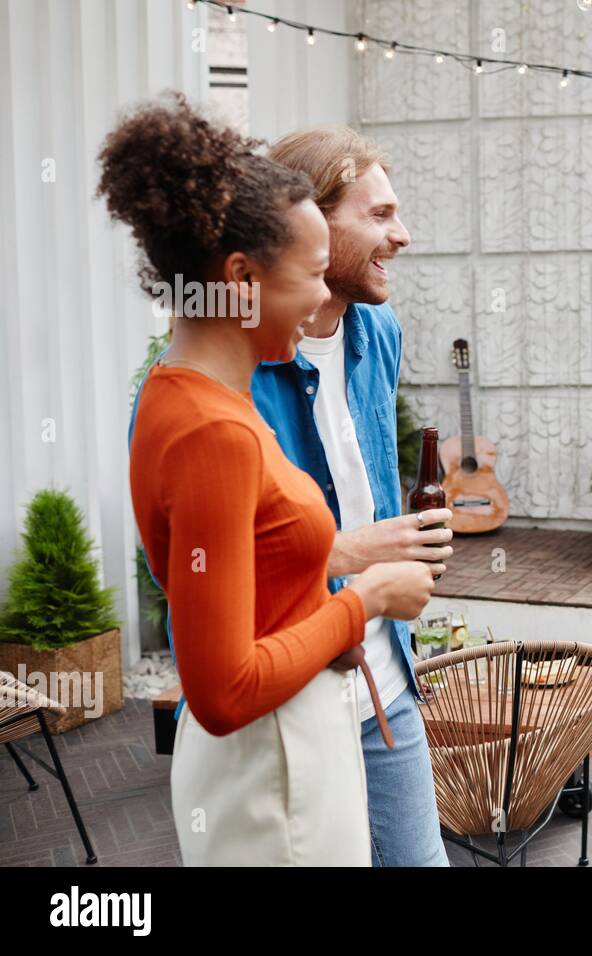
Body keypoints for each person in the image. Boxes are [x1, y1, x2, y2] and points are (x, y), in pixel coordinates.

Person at [106, 94, 439, 865]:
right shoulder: (215, 429)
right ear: (241, 277)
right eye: (315, 274)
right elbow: (221, 688)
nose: (327, 301)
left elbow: (245, 566)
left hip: (330, 715)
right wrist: (366, 598)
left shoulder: (182, 393)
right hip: (280, 755)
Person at [251, 126, 452, 867]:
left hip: (384, 678)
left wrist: (402, 542)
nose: (402, 235)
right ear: (306, 222)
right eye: (378, 215)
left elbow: (358, 472)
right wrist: (349, 553)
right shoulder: (230, 366)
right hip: (290, 696)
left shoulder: (379, 328)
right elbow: (194, 564)